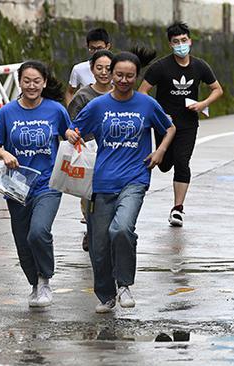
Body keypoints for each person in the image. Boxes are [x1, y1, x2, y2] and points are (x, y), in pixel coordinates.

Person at [70, 50, 176, 313]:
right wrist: (71, 135)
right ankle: (106, 295)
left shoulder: (146, 104)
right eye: (119, 75)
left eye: (130, 76)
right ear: (111, 74)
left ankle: (125, 285)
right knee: (99, 242)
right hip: (102, 181)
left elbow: (170, 127)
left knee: (121, 229)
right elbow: (74, 129)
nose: (124, 80)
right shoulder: (98, 105)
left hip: (135, 178)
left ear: (136, 76)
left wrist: (160, 150)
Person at [0, 61, 71, 308]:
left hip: (48, 183)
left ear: (44, 83)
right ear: (20, 82)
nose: (32, 86)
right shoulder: (6, 112)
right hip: (17, 186)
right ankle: (34, 283)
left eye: (37, 81)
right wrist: (3, 154)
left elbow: (70, 137)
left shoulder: (56, 110)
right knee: (22, 240)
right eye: (26, 81)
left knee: (38, 232)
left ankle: (45, 279)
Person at [139, 22, 223, 227]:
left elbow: (217, 89)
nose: (181, 45)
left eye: (184, 40)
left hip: (188, 124)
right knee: (165, 164)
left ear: (190, 41)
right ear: (170, 44)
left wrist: (203, 104)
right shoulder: (160, 67)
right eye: (176, 42)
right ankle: (167, 166)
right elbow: (142, 92)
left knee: (182, 162)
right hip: (164, 125)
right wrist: (159, 113)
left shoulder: (200, 66)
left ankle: (177, 209)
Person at [67, 49, 114, 252]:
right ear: (92, 70)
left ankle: (107, 231)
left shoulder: (120, 93)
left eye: (108, 68)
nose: (104, 72)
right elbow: (71, 125)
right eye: (99, 68)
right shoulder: (83, 96)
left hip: (114, 154)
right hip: (88, 155)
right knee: (89, 195)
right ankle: (91, 229)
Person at [65, 28, 111, 103]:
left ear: (107, 46)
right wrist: (72, 112)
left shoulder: (117, 68)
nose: (96, 52)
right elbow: (69, 92)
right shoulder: (78, 69)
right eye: (92, 48)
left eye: (99, 48)